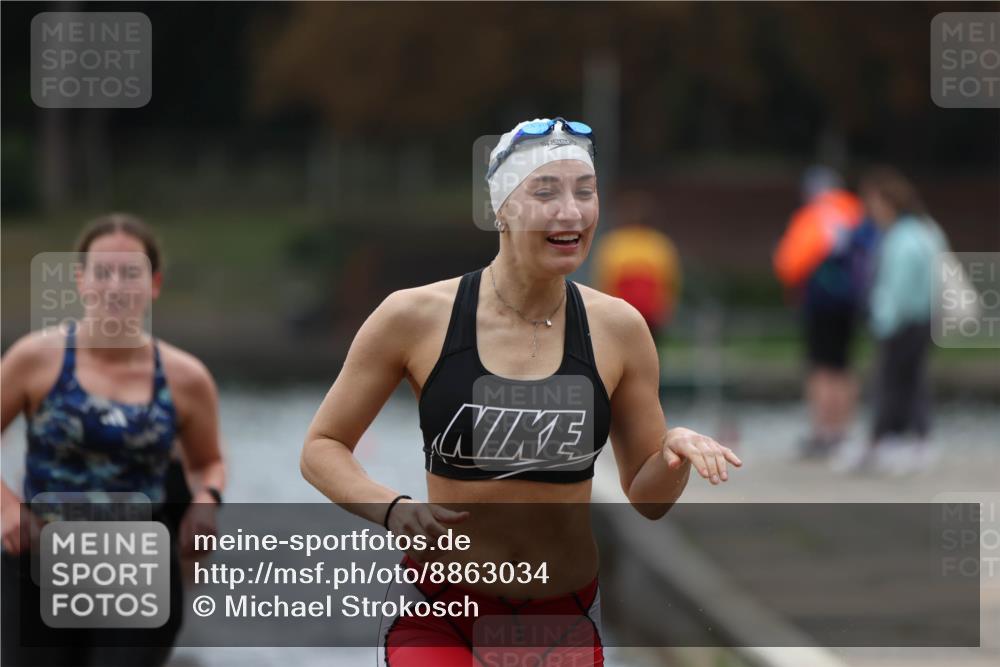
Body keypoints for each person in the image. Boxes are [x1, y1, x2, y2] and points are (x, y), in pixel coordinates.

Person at [301, 118, 742, 666]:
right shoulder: (413, 317)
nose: (571, 210)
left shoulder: (620, 329)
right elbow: (322, 446)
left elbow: (646, 500)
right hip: (440, 613)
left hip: (560, 620)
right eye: (546, 191)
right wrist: (390, 509)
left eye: (586, 191)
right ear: (502, 208)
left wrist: (673, 451)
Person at [0, 213, 226, 667]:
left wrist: (206, 499)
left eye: (131, 273)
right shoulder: (35, 360)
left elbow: (208, 462)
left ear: (154, 283)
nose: (116, 286)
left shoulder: (185, 377)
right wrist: (6, 506)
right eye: (103, 272)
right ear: (81, 281)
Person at [831, 167, 947, 475]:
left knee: (892, 383)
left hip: (902, 322)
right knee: (912, 382)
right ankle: (911, 439)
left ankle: (887, 440)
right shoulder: (927, 229)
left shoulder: (902, 238)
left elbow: (899, 288)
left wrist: (882, 321)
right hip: (925, 320)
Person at [773, 166, 867, 459]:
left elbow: (788, 264)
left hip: (821, 304)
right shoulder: (855, 213)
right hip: (851, 304)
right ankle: (843, 430)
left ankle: (823, 432)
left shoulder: (812, 217)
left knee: (821, 368)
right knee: (844, 366)